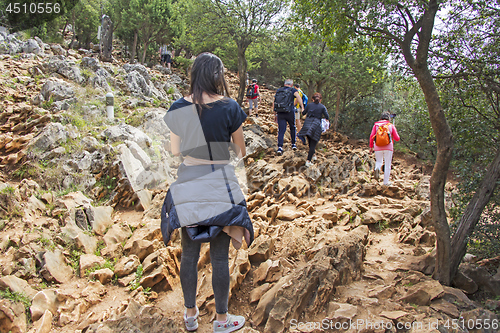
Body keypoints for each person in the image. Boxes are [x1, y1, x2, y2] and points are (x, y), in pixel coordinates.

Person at [161, 52, 253, 333]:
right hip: (220, 184)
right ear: (218, 75)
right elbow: (240, 151)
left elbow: (175, 151)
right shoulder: (230, 107)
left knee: (188, 254)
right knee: (220, 257)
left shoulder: (178, 106)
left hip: (189, 182)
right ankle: (222, 321)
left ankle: (190, 316)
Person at [273, 79, 304, 155]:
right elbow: (298, 97)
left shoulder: (279, 90)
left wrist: (275, 114)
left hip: (280, 112)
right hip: (290, 112)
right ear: (292, 84)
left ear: (284, 84)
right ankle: (293, 144)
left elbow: (274, 102)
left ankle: (280, 147)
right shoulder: (293, 90)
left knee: (281, 130)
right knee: (292, 127)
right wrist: (302, 107)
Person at [297, 92, 329, 167]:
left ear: (312, 99)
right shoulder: (322, 107)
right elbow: (327, 116)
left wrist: (303, 108)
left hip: (307, 125)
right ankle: (308, 161)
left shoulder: (309, 105)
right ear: (320, 99)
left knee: (310, 142)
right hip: (316, 126)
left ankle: (313, 155)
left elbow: (303, 113)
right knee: (313, 145)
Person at [369, 112, 401, 185]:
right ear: (389, 118)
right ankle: (385, 182)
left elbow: (371, 136)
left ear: (381, 118)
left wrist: (371, 147)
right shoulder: (391, 125)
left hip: (377, 146)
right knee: (387, 164)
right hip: (388, 147)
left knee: (379, 161)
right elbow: (397, 138)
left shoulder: (376, 125)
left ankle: (377, 168)